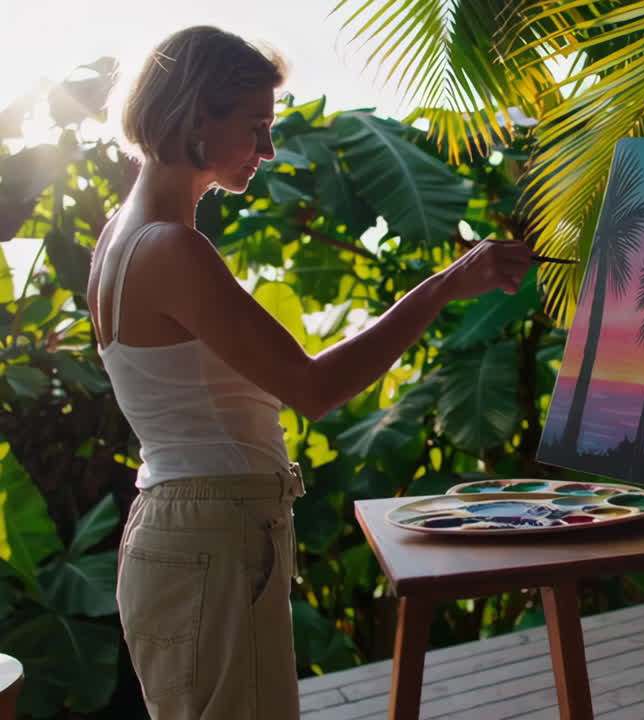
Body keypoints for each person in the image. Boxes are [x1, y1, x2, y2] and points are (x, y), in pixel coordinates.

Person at [86, 26, 531, 719]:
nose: (267, 148)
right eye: (256, 126)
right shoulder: (170, 248)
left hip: (183, 531)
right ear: (199, 113)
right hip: (213, 535)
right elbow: (314, 389)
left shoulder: (120, 236)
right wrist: (444, 287)